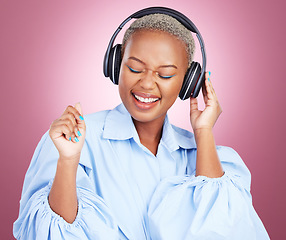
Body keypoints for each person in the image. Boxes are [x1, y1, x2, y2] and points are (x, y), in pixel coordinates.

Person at [13, 9, 270, 240]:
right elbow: (46, 234)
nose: (147, 84)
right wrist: (68, 161)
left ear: (189, 81)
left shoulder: (207, 158)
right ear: (116, 66)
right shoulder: (71, 139)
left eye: (166, 74)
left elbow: (228, 231)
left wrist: (203, 133)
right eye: (135, 68)